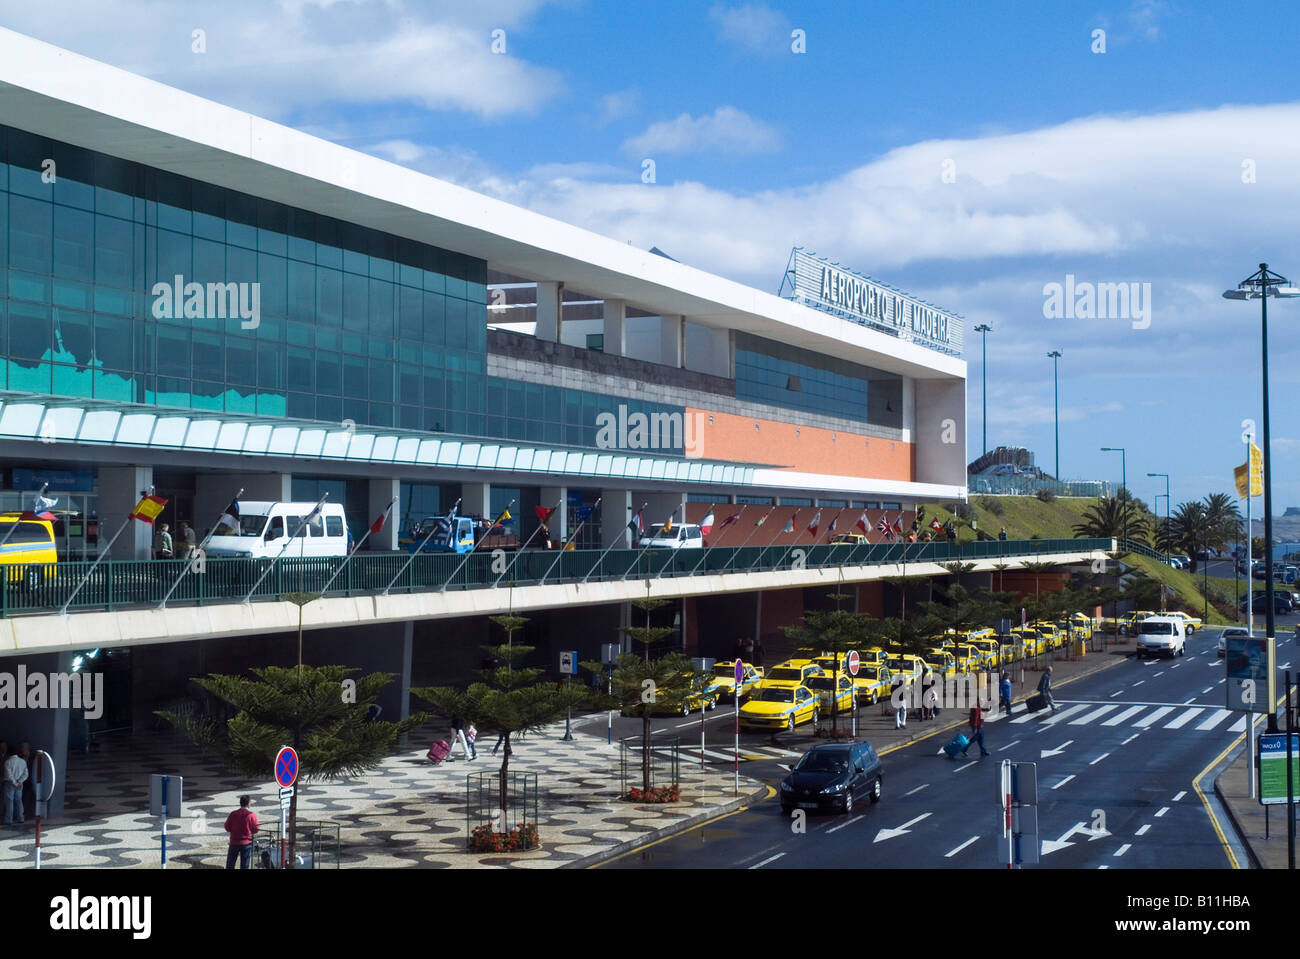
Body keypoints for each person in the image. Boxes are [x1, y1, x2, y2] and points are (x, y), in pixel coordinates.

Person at [224, 795, 259, 869]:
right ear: (248, 803)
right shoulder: (251, 815)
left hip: (234, 842)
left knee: (230, 864)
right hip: (246, 843)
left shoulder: (233, 814)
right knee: (244, 865)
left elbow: (227, 827)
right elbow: (256, 829)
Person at [3, 743, 29, 825]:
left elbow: (8, 775)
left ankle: (9, 820)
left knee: (9, 802)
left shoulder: (7, 762)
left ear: (9, 753)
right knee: (19, 801)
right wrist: (19, 781)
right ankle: (20, 818)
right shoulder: (23, 761)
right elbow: (26, 774)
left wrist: (14, 782)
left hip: (10, 784)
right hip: (19, 784)